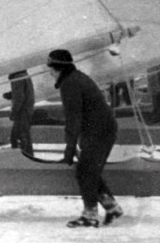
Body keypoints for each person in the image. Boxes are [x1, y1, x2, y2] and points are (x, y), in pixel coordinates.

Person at [48, 48, 123, 228]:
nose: (50, 72)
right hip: (101, 128)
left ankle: (90, 216)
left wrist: (69, 149)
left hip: (99, 130)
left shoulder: (70, 84)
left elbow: (73, 118)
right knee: (89, 170)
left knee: (86, 172)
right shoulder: (75, 78)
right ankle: (112, 207)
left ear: (58, 68)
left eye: (51, 68)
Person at [7, 69, 35, 156]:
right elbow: (23, 92)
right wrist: (11, 94)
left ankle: (23, 157)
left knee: (17, 137)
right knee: (24, 136)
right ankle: (29, 156)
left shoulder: (18, 78)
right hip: (27, 109)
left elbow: (19, 97)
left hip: (22, 111)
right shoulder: (24, 75)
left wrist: (13, 112)